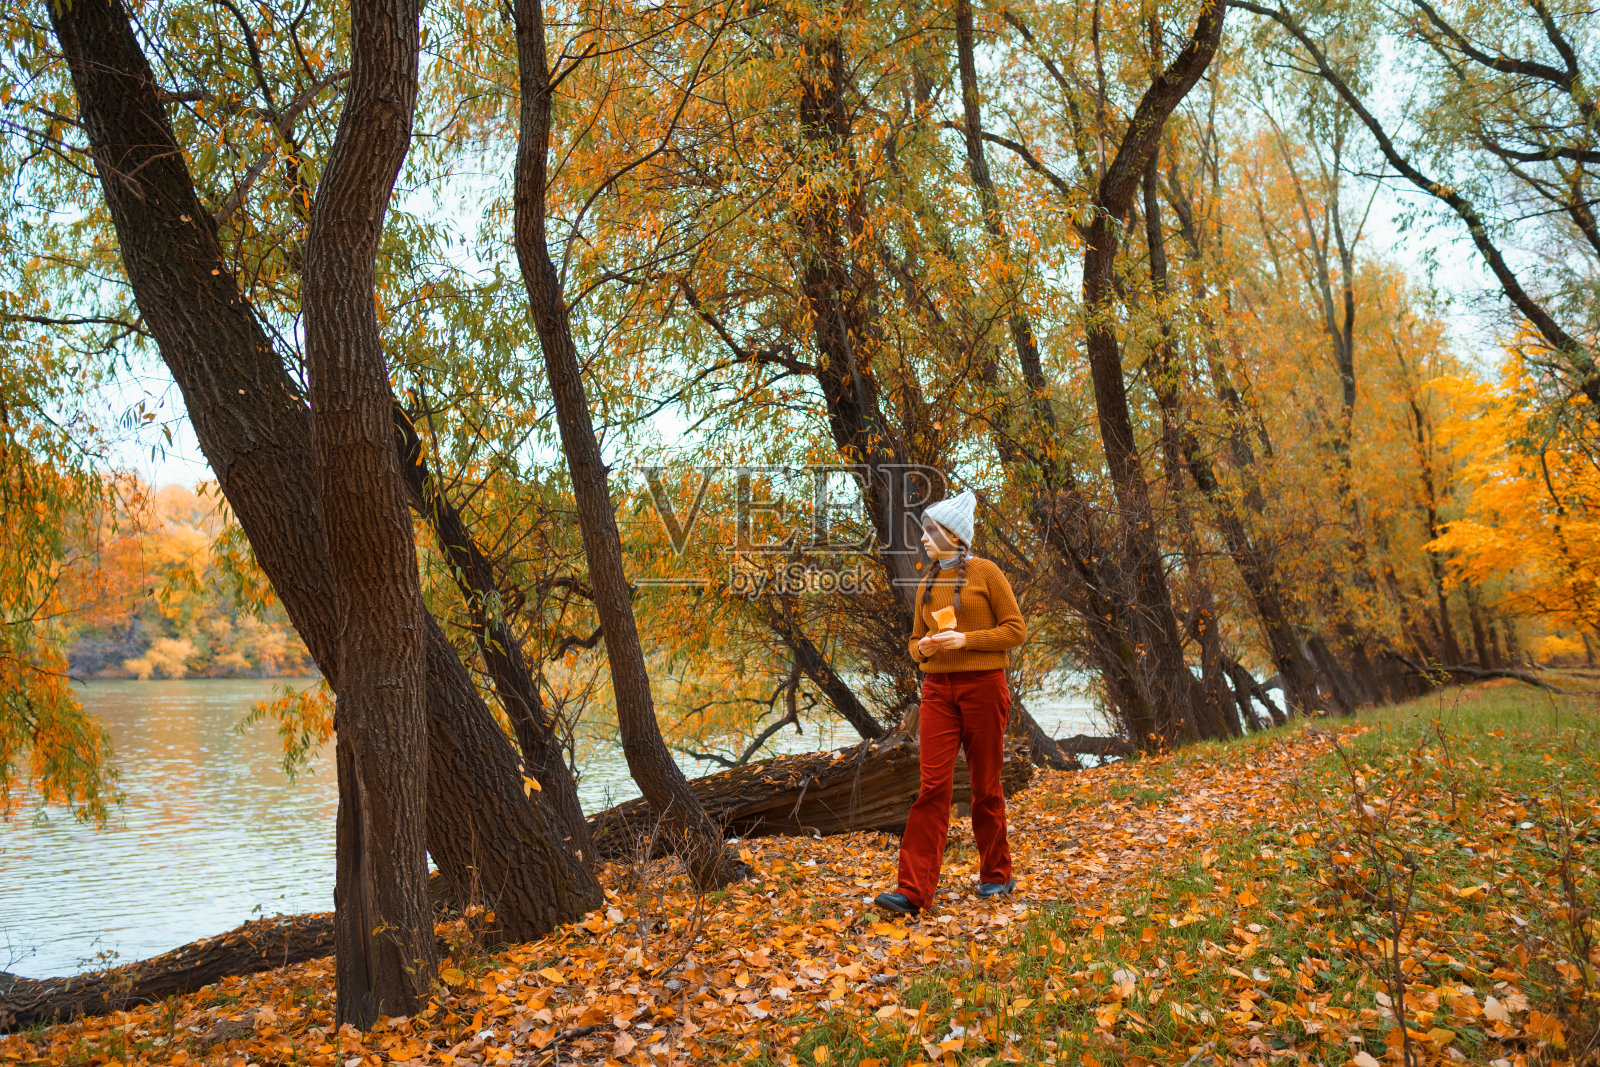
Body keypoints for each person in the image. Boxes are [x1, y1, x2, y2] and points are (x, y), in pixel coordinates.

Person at [874, 489, 1027, 917]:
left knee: (985, 786)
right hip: (938, 691)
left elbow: (1016, 630)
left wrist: (967, 640)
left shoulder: (987, 573)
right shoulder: (927, 583)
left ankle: (996, 873)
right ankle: (912, 891)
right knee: (933, 787)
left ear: (955, 536)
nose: (923, 538)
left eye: (931, 530)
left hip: (984, 686)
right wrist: (922, 648)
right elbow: (913, 643)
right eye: (924, 530)